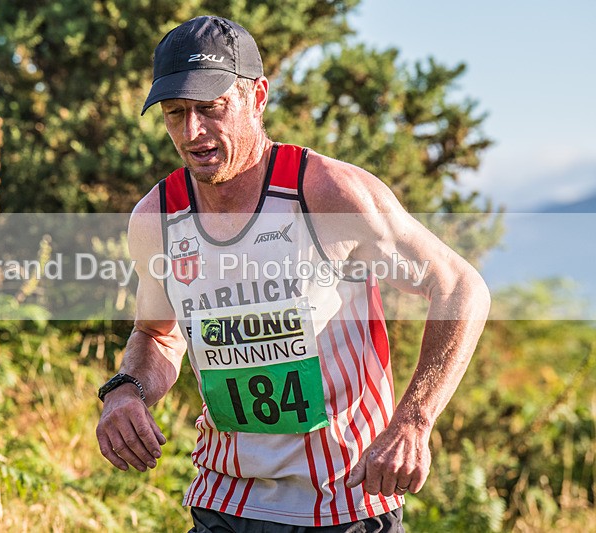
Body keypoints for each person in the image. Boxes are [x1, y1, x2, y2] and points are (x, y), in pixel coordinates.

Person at [96, 15, 491, 532]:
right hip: (226, 500)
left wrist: (415, 419)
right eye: (175, 113)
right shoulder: (158, 217)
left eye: (210, 108)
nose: (192, 132)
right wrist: (126, 390)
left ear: (257, 97)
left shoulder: (328, 194)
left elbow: (460, 287)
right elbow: (157, 334)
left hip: (345, 502)